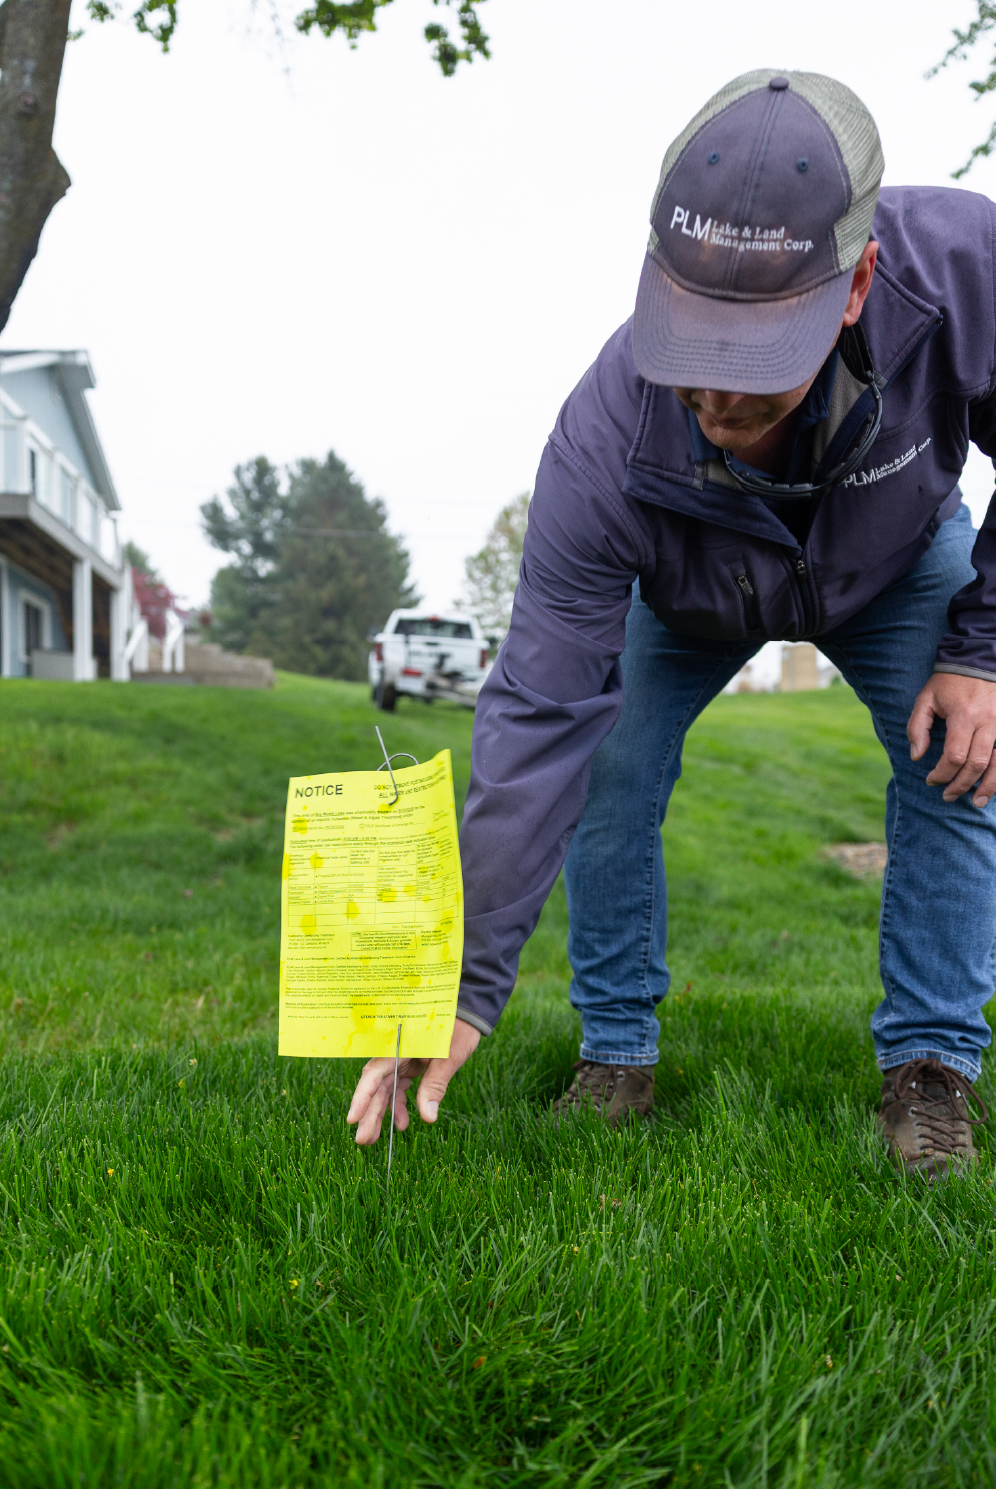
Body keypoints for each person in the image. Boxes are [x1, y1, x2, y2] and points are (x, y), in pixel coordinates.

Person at [347, 69, 996, 1177]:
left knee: (963, 760)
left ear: (855, 286)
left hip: (894, 555)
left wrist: (980, 652)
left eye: (754, 372)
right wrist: (461, 984)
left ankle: (929, 1067)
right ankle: (614, 1057)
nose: (718, 409)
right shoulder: (600, 443)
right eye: (694, 372)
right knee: (606, 760)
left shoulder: (963, 270)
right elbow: (538, 713)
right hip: (691, 582)